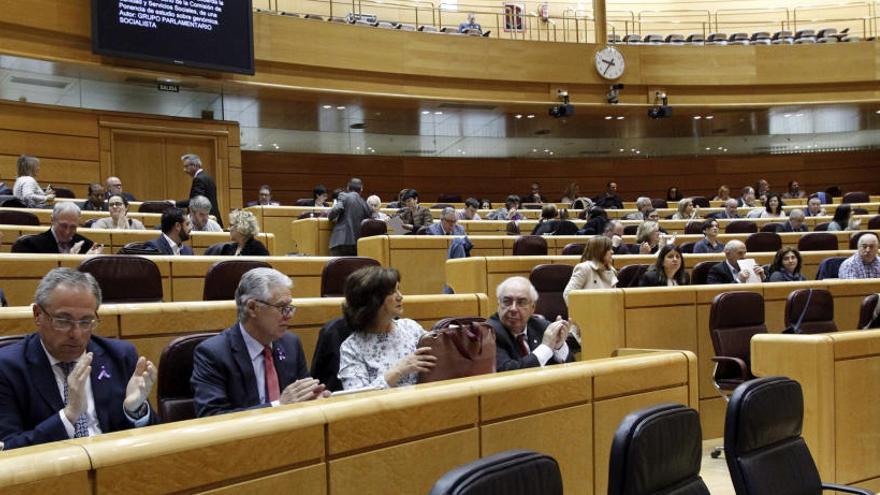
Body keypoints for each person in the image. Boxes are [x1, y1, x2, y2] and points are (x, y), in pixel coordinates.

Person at [0, 268, 157, 449]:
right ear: (37, 315)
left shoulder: (120, 356)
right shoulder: (7, 368)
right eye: (63, 321)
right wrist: (68, 416)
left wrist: (135, 411)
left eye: (86, 322)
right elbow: (8, 449)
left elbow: (151, 440)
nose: (76, 334)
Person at [192, 268, 328, 417]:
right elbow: (212, 417)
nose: (289, 316)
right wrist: (278, 406)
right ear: (252, 308)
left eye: (290, 307)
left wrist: (316, 399)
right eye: (282, 307)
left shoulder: (291, 344)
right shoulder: (213, 354)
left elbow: (303, 396)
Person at [338, 267, 435, 389]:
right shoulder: (352, 348)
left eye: (398, 289)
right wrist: (398, 371)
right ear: (373, 300)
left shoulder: (411, 328)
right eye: (392, 292)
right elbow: (357, 399)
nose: (400, 297)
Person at [488, 276, 573, 372]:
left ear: (532, 308)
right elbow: (508, 373)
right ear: (498, 304)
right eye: (507, 301)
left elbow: (572, 368)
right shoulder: (489, 333)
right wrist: (546, 347)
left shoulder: (543, 327)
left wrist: (559, 347)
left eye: (521, 302)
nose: (513, 309)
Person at [14, 202, 103, 254]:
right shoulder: (30, 245)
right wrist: (71, 262)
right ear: (52, 220)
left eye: (73, 227)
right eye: (63, 226)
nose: (67, 232)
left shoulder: (87, 246)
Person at [563, 236, 618, 304]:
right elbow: (568, 296)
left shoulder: (612, 271)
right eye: (609, 249)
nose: (612, 252)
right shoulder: (584, 268)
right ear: (600, 251)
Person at [328, 178, 372, 256]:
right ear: (361, 189)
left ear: (348, 187)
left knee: (337, 267)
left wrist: (330, 216)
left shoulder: (343, 195)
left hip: (341, 241)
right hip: (357, 243)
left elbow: (335, 210)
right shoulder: (365, 204)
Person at [176, 153, 222, 228]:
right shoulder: (208, 177)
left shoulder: (199, 179)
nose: (184, 170)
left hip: (205, 220)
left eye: (186, 166)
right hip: (213, 218)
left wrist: (176, 204)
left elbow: (196, 202)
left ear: (194, 165)